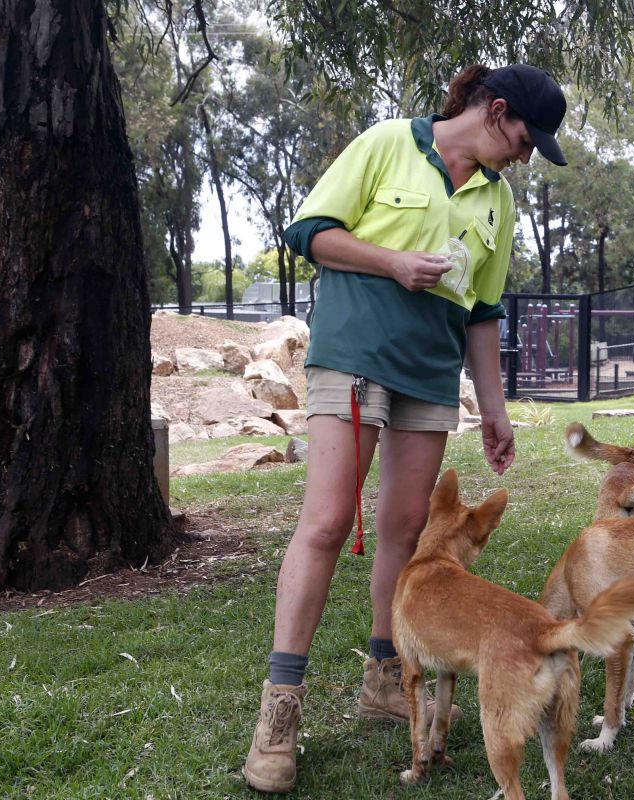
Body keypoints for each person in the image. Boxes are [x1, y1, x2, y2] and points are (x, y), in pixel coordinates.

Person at [243, 63, 568, 793]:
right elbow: (309, 233)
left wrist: (495, 408)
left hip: (429, 376)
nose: (525, 154)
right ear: (496, 110)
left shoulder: (498, 199)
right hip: (353, 358)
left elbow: (482, 313)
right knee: (327, 523)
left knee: (404, 528)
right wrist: (392, 262)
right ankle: (279, 713)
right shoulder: (389, 143)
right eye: (524, 137)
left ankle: (386, 677)